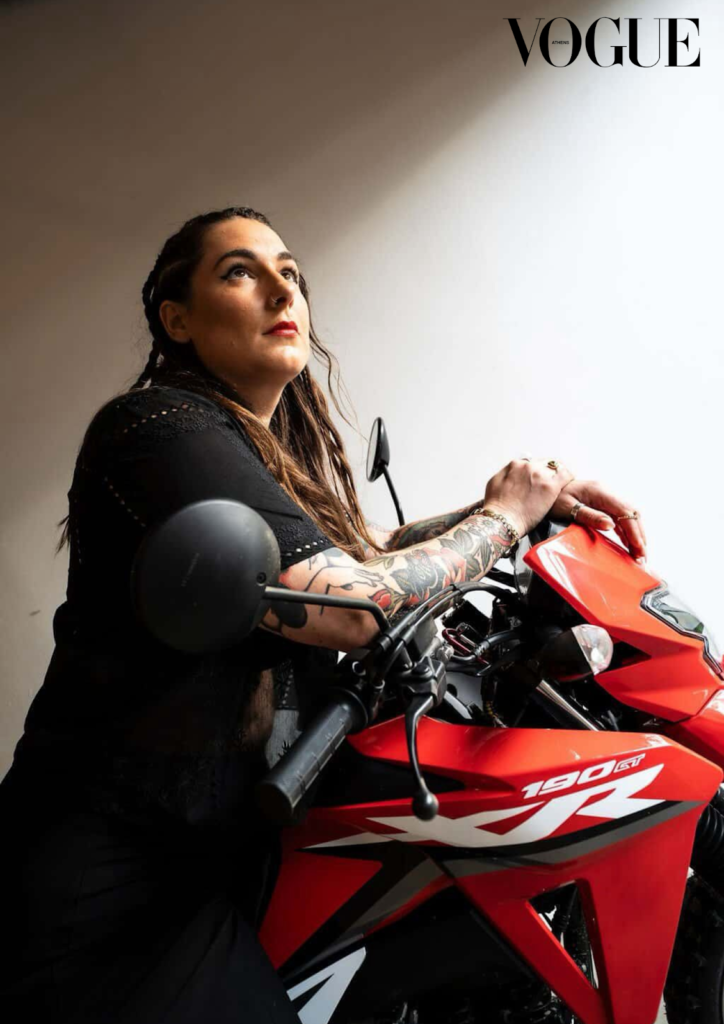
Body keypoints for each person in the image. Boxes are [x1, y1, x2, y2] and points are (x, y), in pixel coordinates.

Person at [0, 206, 647, 1023]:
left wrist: (532, 506)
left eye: (291, 274)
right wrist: (501, 519)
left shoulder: (258, 453)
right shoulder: (155, 429)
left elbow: (368, 556)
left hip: (221, 856)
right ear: (178, 319)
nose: (282, 290)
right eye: (240, 272)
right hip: (117, 898)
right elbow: (351, 606)